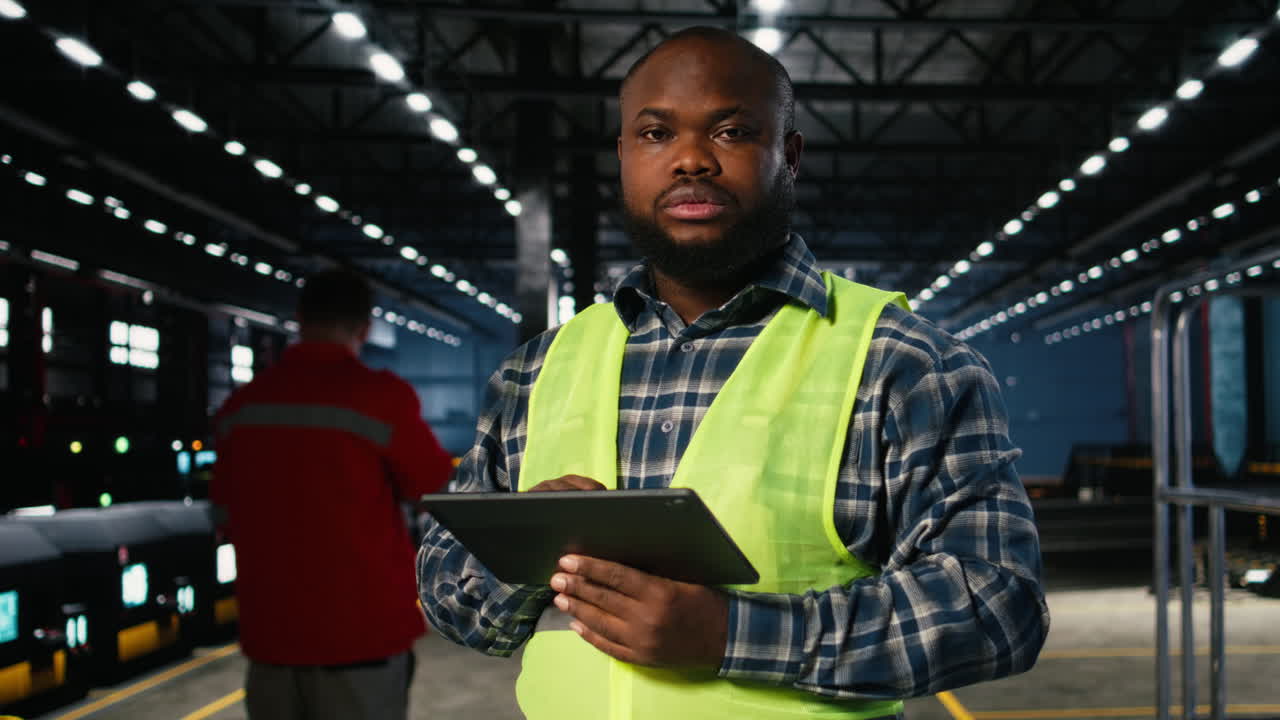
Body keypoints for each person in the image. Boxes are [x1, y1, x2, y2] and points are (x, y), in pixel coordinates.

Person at [418, 26, 1049, 719]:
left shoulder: (901, 363)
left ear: (790, 155)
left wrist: (731, 636)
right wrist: (524, 552)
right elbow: (452, 601)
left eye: (732, 132)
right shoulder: (536, 372)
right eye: (657, 135)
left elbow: (997, 605)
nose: (690, 160)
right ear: (623, 156)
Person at [213, 269, 454, 720]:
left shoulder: (242, 406)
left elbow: (223, 514)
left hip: (272, 638)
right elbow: (434, 488)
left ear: (300, 318)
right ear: (365, 327)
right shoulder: (380, 399)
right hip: (361, 639)